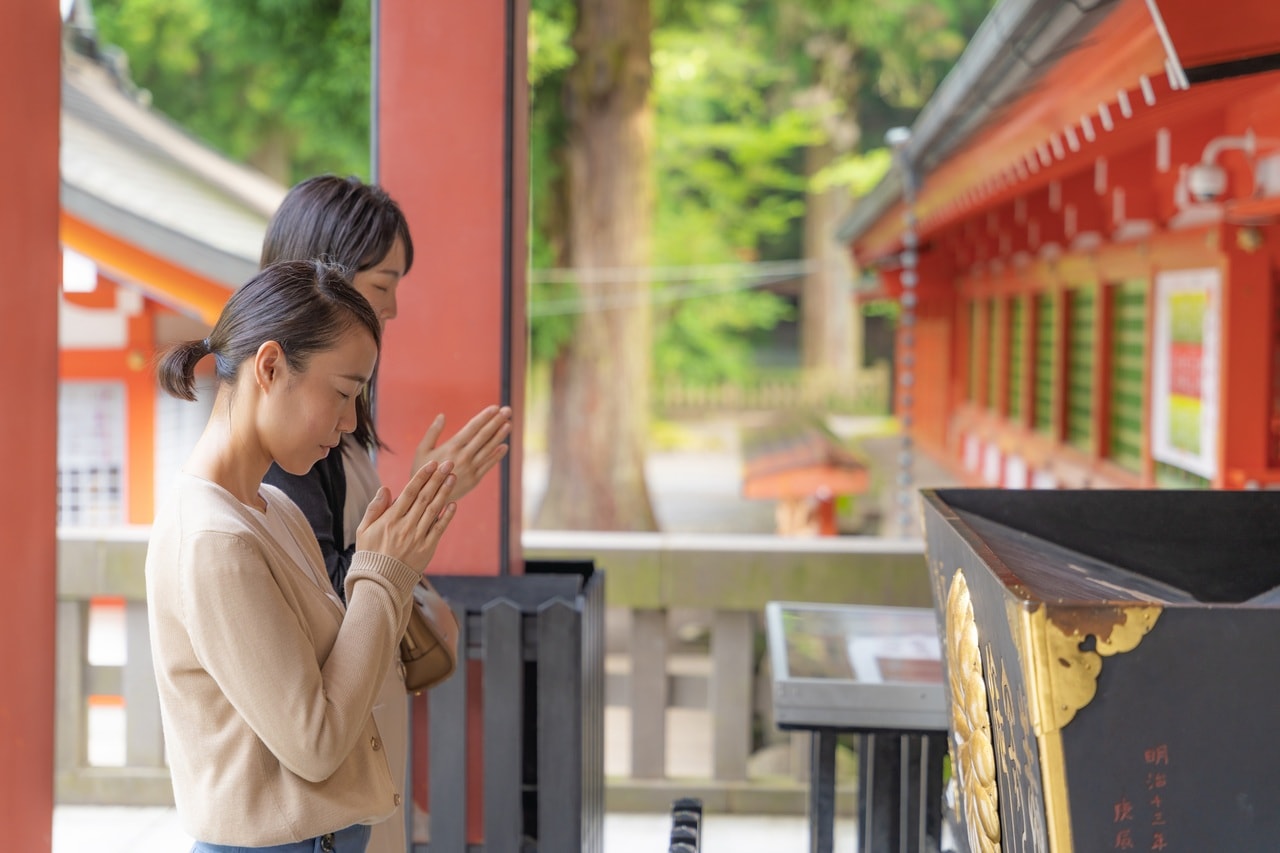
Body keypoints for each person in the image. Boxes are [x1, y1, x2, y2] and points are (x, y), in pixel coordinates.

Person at [146, 258, 458, 853]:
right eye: (343, 393)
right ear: (270, 366)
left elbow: (338, 678)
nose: (349, 423)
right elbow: (315, 744)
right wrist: (382, 576)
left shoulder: (271, 508)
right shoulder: (217, 540)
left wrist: (386, 569)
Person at [259, 174, 512, 852]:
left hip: (356, 762)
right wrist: (418, 514)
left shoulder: (328, 432)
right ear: (328, 281)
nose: (394, 308)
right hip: (323, 794)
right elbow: (331, 595)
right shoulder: (280, 454)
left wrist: (428, 496)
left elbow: (354, 556)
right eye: (382, 285)